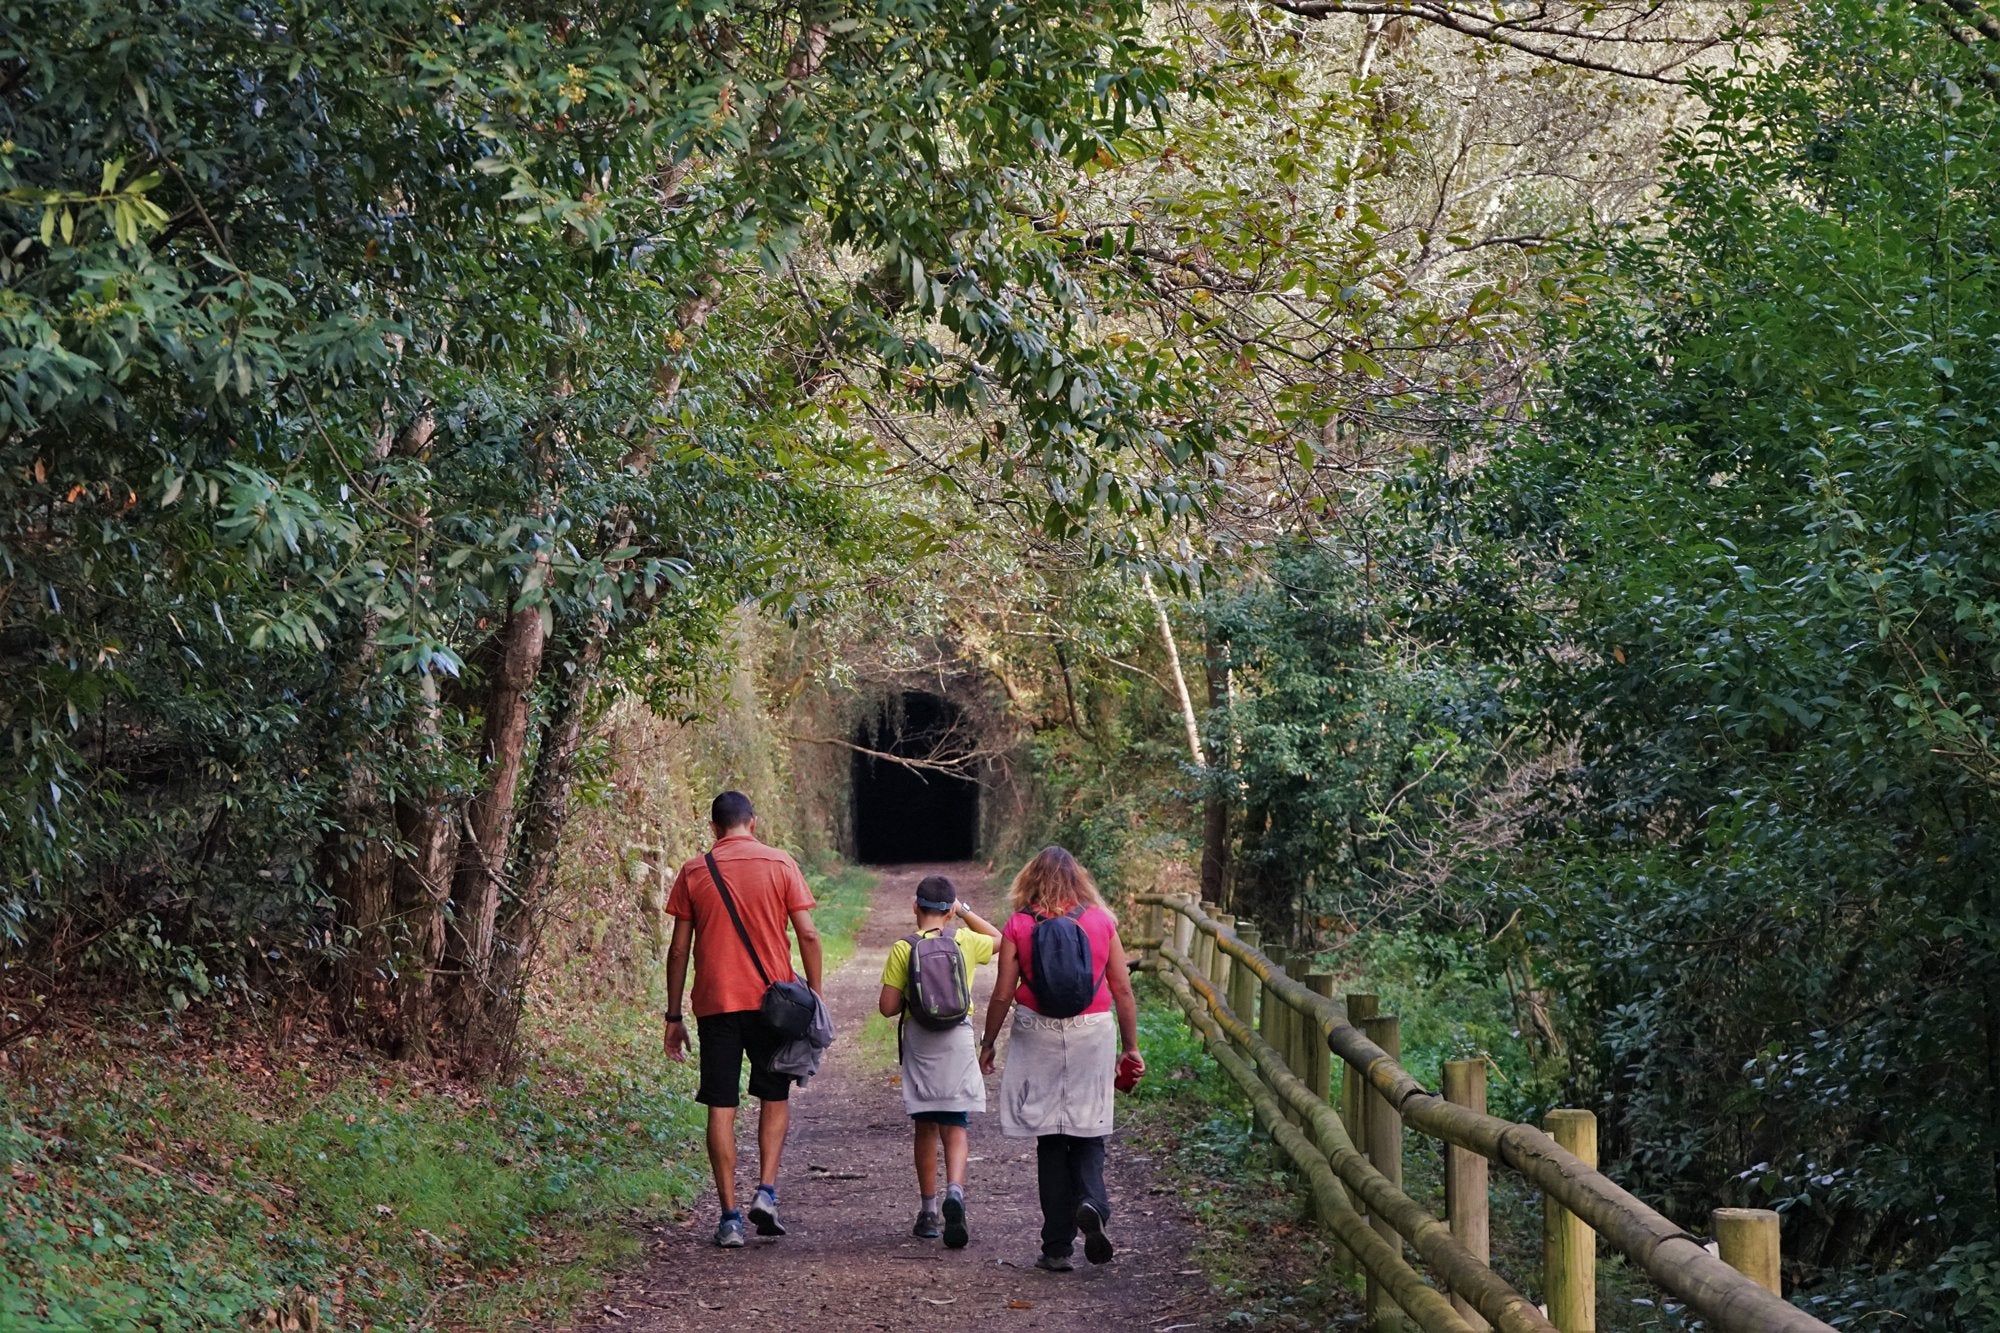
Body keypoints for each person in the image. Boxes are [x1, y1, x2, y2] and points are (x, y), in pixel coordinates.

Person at [663, 791, 824, 1248]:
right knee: (774, 1096)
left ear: (714, 827)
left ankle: (730, 1217)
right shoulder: (780, 864)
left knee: (721, 1105)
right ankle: (767, 1193)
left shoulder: (695, 871)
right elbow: (808, 934)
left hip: (716, 1004)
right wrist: (815, 995)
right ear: (753, 823)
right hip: (774, 1004)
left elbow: (678, 950)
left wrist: (674, 1014)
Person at [978, 846, 1144, 1272]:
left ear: (1030, 879)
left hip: (1038, 1032)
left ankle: (1056, 1247)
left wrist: (989, 1041)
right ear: (1079, 880)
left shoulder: (1019, 924)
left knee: (1051, 1137)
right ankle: (1092, 1203)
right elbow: (1123, 991)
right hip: (1092, 1033)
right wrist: (1131, 1047)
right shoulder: (1101, 921)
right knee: (1089, 1127)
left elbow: (1002, 992)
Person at [877, 875, 1002, 1249]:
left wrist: (911, 995)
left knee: (926, 1124)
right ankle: (956, 1192)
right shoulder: (965, 941)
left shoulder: (905, 947)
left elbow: (887, 1007)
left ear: (915, 907)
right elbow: (1001, 939)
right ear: (949, 911)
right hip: (958, 1037)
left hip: (921, 1038)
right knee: (956, 1121)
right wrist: (965, 912)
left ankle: (929, 1213)